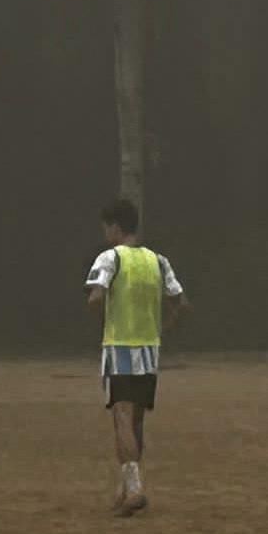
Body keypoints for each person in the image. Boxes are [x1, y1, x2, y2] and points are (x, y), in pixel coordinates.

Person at [84, 199, 182, 517]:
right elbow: (180, 301)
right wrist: (161, 328)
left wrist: (103, 321)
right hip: (149, 350)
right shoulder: (158, 260)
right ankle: (127, 487)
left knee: (121, 417)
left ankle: (135, 487)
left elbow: (96, 296)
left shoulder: (110, 258)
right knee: (136, 420)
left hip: (120, 348)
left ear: (114, 227)